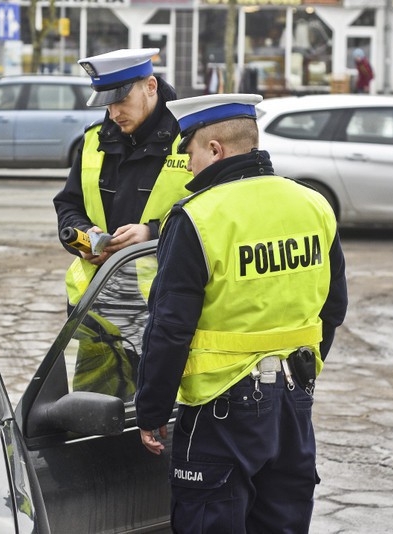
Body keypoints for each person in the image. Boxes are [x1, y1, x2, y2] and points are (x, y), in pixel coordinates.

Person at [135, 94, 348, 533]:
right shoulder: (311, 205)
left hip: (221, 410)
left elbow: (170, 327)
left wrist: (152, 409)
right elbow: (334, 307)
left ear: (215, 149)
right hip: (293, 404)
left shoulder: (198, 217)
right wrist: (300, 370)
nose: (188, 167)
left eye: (189, 152)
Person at [53, 48, 192, 398]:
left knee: (161, 415)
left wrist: (153, 233)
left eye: (121, 100)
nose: (114, 112)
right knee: (91, 413)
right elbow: (68, 204)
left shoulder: (191, 140)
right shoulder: (94, 139)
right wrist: (85, 238)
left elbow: (216, 216)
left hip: (164, 311)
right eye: (107, 103)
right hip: (98, 307)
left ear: (150, 85)